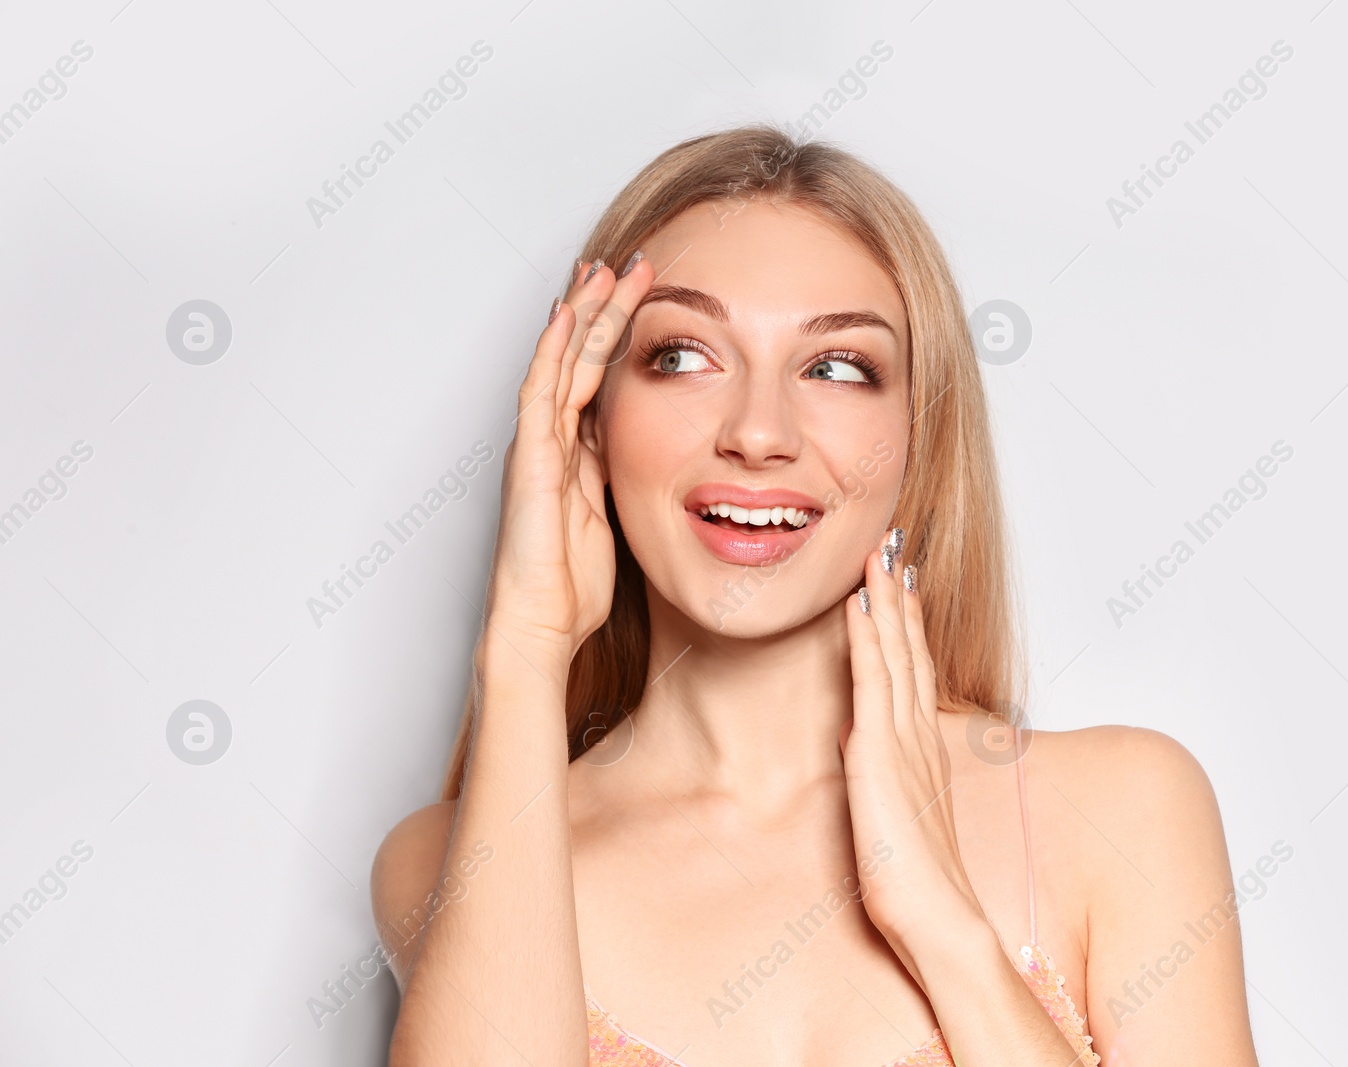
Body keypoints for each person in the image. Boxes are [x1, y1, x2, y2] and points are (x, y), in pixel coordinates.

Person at [370, 124, 1258, 1066]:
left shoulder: (1121, 809)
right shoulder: (439, 862)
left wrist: (940, 920)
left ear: (918, 438)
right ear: (589, 422)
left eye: (837, 367)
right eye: (682, 355)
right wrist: (525, 647)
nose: (757, 432)